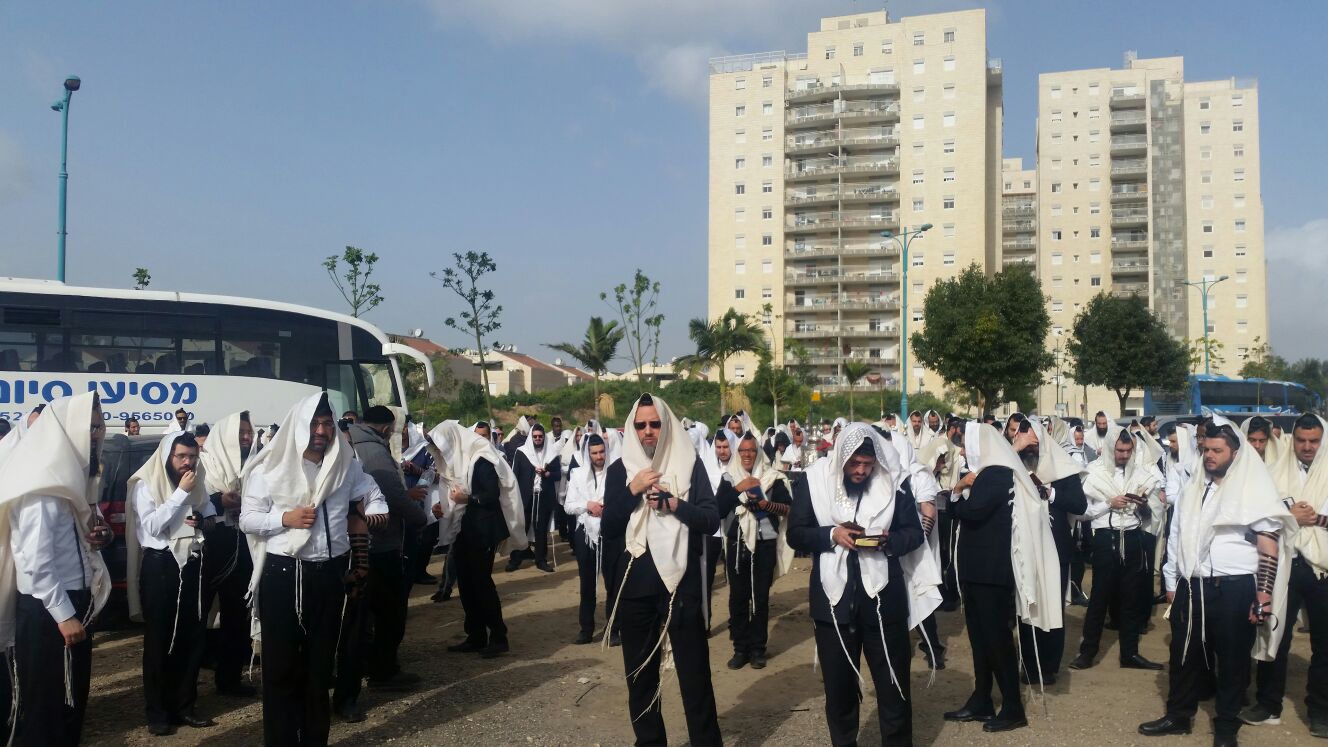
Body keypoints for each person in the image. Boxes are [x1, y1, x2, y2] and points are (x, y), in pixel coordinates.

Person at [239, 393, 389, 746]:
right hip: (284, 573)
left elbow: (374, 493)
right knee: (280, 671)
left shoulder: (345, 465)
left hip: (329, 574)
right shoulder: (270, 468)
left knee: (320, 669)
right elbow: (247, 519)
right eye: (314, 424)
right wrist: (284, 518)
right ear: (299, 427)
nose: (321, 431)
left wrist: (370, 515)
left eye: (326, 424)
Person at [1139, 417, 1297, 746]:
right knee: (1184, 655)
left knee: (1233, 660)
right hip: (1191, 585)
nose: (1210, 455)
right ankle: (1178, 715)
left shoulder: (1254, 488)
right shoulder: (1194, 485)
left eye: (1217, 450)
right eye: (1205, 449)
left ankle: (1226, 728)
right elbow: (1177, 534)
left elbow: (1269, 542)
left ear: (1235, 453)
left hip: (1235, 587)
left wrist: (1263, 596)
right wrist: (1171, 580)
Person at [788, 422, 939, 747]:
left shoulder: (893, 483)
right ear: (841, 458)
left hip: (884, 604)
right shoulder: (815, 481)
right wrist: (831, 534)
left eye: (867, 465)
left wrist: (888, 540)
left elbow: (913, 533)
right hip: (834, 608)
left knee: (893, 689)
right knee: (840, 694)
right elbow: (795, 533)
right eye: (854, 464)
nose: (860, 471)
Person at [601, 394, 722, 747]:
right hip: (635, 586)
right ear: (631, 428)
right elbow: (609, 526)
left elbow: (710, 518)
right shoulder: (619, 471)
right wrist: (633, 489)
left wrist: (673, 504)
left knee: (694, 676)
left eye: (655, 424)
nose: (648, 431)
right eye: (641, 425)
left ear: (666, 425)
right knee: (640, 677)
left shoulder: (688, 465)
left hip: (680, 589)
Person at [0, 392, 113, 746]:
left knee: (69, 706)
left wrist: (100, 535)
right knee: (45, 711)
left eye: (99, 426)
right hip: (49, 609)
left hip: (69, 604)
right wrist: (65, 615)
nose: (96, 434)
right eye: (90, 426)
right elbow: (33, 563)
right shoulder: (43, 482)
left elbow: (75, 542)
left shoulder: (68, 478)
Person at [945, 420, 1067, 733]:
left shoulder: (996, 473)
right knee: (979, 639)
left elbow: (972, 512)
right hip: (978, 571)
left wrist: (957, 491)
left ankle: (1012, 705)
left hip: (991, 573)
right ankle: (982, 698)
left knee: (997, 641)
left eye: (967, 445)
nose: (963, 450)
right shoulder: (993, 471)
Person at [333, 407, 428, 719]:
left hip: (358, 547)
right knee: (386, 612)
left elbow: (375, 496)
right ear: (388, 428)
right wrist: (419, 518)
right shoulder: (373, 451)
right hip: (376, 548)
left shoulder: (359, 451)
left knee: (362, 620)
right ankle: (382, 671)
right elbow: (392, 497)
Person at [1241, 414, 1328, 737]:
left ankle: (1320, 711)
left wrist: (1315, 519)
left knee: (1324, 644)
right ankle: (1268, 703)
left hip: (1322, 568)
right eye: (1302, 440)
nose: (1307, 447)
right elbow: (1259, 518)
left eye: (1314, 441)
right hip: (1284, 566)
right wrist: (1288, 516)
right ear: (1294, 439)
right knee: (1273, 633)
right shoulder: (1274, 474)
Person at [126, 430, 217, 736]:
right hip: (160, 565)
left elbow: (210, 513)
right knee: (159, 640)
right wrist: (179, 495)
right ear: (168, 456)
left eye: (192, 456)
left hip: (191, 562)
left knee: (191, 636)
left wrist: (202, 521)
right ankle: (157, 712)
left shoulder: (196, 479)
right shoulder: (146, 482)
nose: (187, 462)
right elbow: (152, 525)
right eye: (181, 456)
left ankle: (184, 706)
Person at [1070, 430, 1164, 672]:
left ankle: (1129, 653)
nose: (1123, 455)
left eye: (1128, 451)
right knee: (1099, 598)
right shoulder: (1093, 473)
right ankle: (1087, 652)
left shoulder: (1141, 474)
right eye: (1119, 451)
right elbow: (1081, 513)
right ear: (1111, 449)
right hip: (1106, 539)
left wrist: (1141, 506)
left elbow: (1148, 517)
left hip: (1132, 539)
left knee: (1131, 599)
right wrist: (1108, 504)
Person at [443, 419, 525, 659]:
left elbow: (490, 495)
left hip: (483, 532)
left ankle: (498, 636)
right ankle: (476, 635)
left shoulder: (482, 459)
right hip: (465, 532)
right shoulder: (464, 460)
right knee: (467, 585)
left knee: (481, 584)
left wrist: (466, 499)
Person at [716, 432, 793, 670]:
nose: (747, 455)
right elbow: (718, 508)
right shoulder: (729, 478)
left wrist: (765, 505)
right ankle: (740, 648)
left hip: (764, 545)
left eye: (751, 450)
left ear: (758, 452)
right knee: (737, 598)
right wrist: (740, 487)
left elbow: (789, 509)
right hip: (737, 543)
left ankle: (758, 649)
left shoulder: (773, 478)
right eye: (743, 451)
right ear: (737, 454)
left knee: (759, 598)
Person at [198, 411, 258, 699]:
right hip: (210, 545)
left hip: (241, 542)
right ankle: (186, 689)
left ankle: (230, 678)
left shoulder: (255, 464)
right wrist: (218, 501)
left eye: (249, 432)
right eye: (241, 433)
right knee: (198, 615)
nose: (246, 438)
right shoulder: (202, 463)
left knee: (236, 615)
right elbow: (191, 503)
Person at [565, 434, 611, 644]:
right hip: (585, 533)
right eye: (594, 453)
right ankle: (586, 629)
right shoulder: (577, 474)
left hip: (610, 533)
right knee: (587, 584)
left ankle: (614, 628)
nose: (599, 456)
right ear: (588, 453)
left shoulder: (615, 473)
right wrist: (588, 505)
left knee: (612, 582)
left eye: (602, 451)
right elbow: (568, 505)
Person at [508, 423, 562, 572]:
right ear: (531, 437)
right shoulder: (522, 452)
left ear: (544, 437)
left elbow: (558, 474)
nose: (538, 439)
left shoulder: (551, 453)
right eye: (535, 436)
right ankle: (515, 559)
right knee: (521, 529)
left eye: (540, 436)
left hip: (543, 497)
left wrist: (547, 474)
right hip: (526, 498)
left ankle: (541, 560)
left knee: (541, 530)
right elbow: (514, 476)